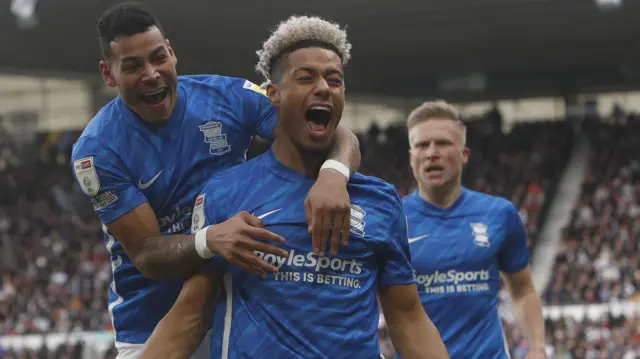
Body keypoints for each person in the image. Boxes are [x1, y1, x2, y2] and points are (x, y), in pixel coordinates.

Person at [139, 15, 450, 359]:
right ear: (274, 94)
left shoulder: (381, 200)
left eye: (335, 80)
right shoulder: (224, 192)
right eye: (306, 78)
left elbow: (407, 318)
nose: (324, 88)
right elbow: (190, 315)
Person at [71, 3, 361, 358]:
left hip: (235, 307)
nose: (151, 74)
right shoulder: (97, 152)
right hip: (151, 322)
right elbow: (146, 253)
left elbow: (327, 132)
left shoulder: (228, 97)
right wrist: (209, 239)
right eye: (132, 66)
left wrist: (335, 174)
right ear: (108, 73)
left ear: (172, 53)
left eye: (158, 57)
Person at [399, 100, 547, 358]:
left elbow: (522, 289)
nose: (432, 153)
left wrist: (536, 348)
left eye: (443, 143)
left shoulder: (499, 214)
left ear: (464, 155)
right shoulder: (392, 220)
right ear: (412, 157)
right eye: (422, 145)